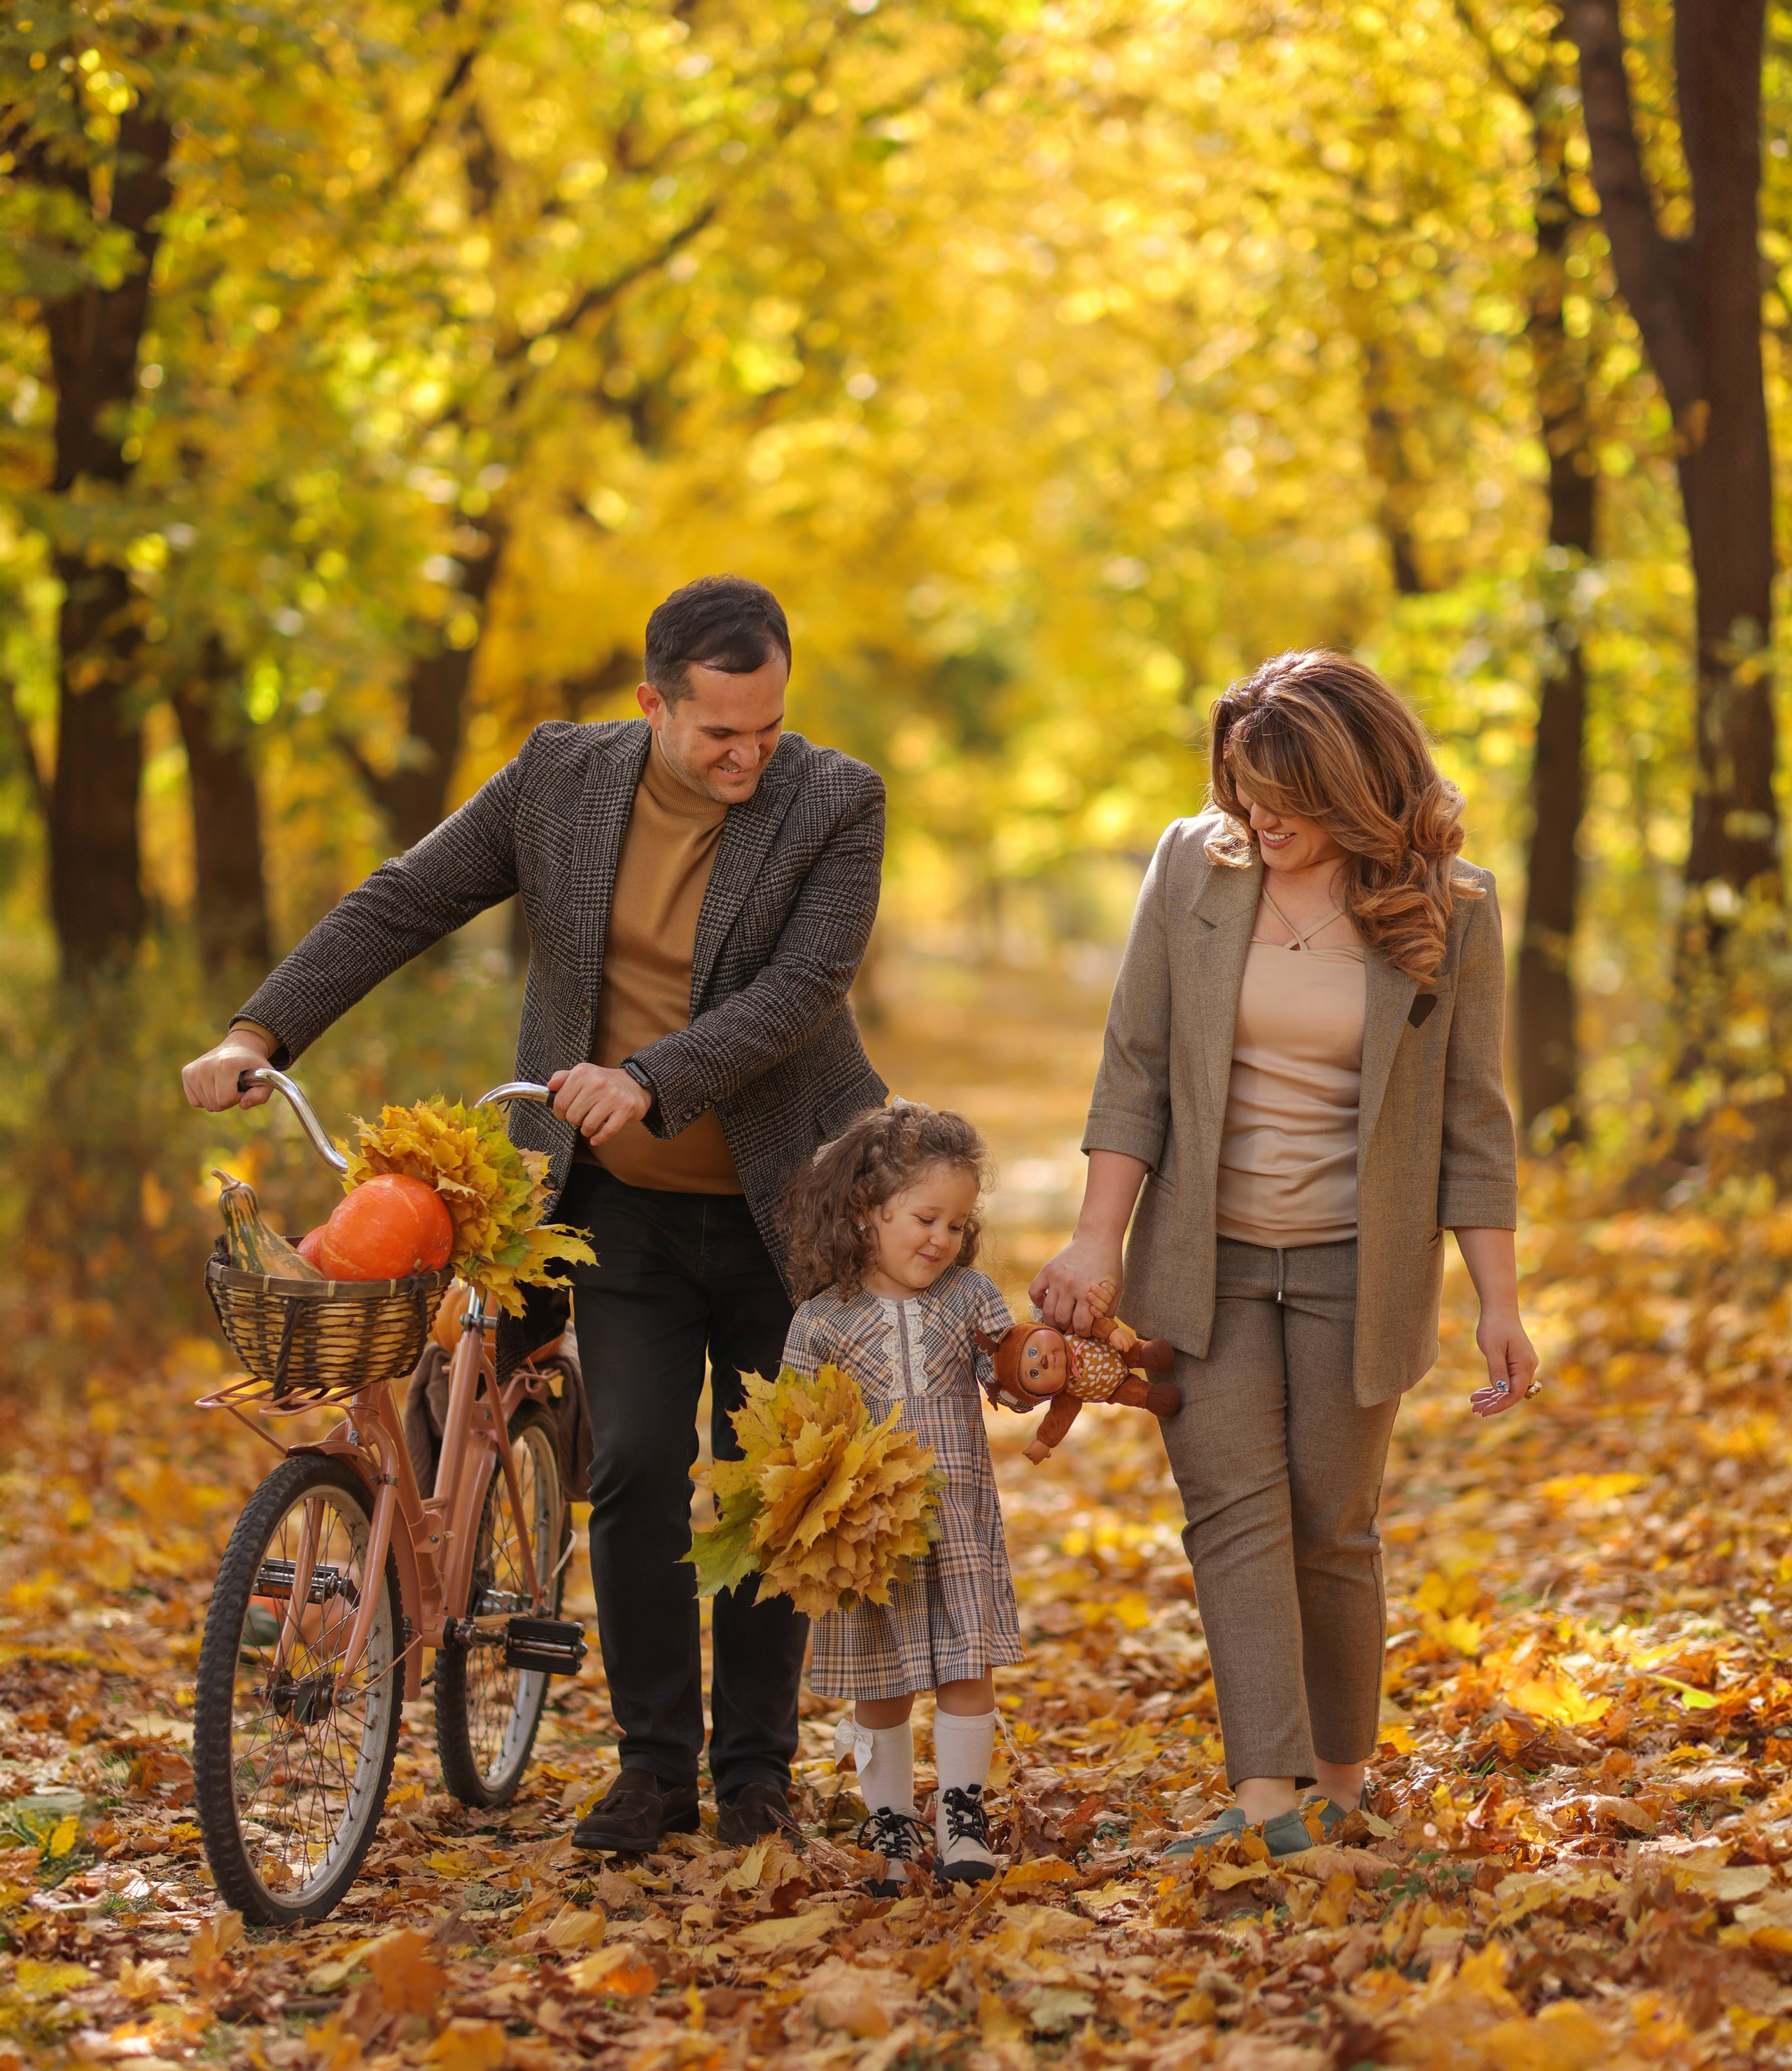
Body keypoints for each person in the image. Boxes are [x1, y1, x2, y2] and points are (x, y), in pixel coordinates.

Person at [183, 573, 888, 1856]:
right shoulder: (561, 779)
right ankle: (656, 1765)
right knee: (629, 1465)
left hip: (788, 1195)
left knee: (769, 1481)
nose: (747, 756)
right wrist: (257, 1028)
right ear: (652, 703)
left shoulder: (835, 800)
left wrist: (652, 1076)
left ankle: (756, 1772)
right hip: (610, 1198)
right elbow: (407, 897)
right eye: (719, 731)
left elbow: (803, 987)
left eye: (767, 728)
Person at [1031, 648, 1534, 1858]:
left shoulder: (1450, 905)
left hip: (1360, 1267)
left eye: (1285, 800)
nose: (1259, 820)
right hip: (1207, 1257)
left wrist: (1500, 1300)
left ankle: (1342, 1786)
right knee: (1231, 1509)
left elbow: (1473, 1115)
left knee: (1332, 1523)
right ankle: (1268, 1801)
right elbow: (1136, 1063)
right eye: (1243, 792)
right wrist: (1099, 1235)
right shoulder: (1192, 868)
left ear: (1357, 786)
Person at [779, 1104, 1021, 1893]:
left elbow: (1008, 1378)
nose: (941, 1239)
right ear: (864, 1213)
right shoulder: (821, 1322)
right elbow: (794, 1433)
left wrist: (1040, 1368)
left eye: (956, 1223)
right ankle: (890, 1832)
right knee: (879, 1684)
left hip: (953, 1525)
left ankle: (961, 1818)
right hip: (869, 1540)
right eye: (925, 1218)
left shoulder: (969, 1299)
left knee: (965, 1667)